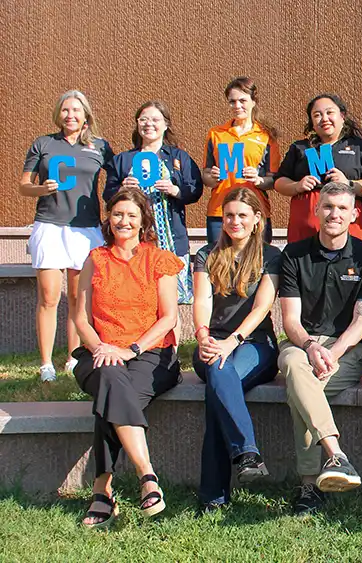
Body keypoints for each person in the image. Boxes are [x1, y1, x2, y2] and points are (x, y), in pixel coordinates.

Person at [72, 187, 184, 529]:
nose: (124, 221)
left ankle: (101, 492)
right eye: (118, 214)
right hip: (101, 353)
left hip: (151, 354)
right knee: (109, 376)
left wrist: (131, 349)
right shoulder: (97, 259)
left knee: (112, 392)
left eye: (131, 215)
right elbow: (80, 317)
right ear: (109, 219)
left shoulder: (158, 259)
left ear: (142, 221)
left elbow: (169, 318)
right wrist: (101, 348)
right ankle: (146, 475)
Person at [278, 182, 362, 516]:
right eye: (327, 207)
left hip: (347, 349)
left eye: (341, 208)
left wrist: (333, 353)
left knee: (301, 388)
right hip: (302, 343)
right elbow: (290, 321)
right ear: (316, 210)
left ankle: (309, 486)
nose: (334, 214)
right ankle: (336, 455)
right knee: (297, 368)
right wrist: (311, 347)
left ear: (354, 215)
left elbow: (361, 319)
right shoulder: (293, 254)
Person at [192, 188, 282, 512]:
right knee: (219, 376)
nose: (235, 221)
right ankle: (246, 454)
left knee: (219, 379)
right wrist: (203, 336)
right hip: (212, 341)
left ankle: (213, 495)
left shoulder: (271, 256)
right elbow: (201, 300)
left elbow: (261, 308)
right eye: (229, 215)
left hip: (255, 344)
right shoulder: (205, 255)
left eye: (243, 215)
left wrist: (234, 341)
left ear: (257, 219)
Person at [19, 90, 114, 381]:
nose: (70, 115)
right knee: (48, 296)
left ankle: (73, 359)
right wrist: (40, 189)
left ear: (86, 114)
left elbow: (115, 182)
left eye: (76, 110)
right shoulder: (44, 143)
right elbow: (24, 185)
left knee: (77, 295)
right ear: (58, 114)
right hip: (49, 225)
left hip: (85, 229)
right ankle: (46, 363)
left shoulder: (100, 146)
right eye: (65, 110)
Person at [106, 100, 203, 309]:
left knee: (171, 300)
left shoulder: (178, 157)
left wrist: (175, 190)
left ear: (166, 124)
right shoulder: (123, 160)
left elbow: (195, 189)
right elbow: (108, 195)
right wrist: (122, 188)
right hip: (135, 240)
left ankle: (171, 343)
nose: (149, 124)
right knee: (138, 296)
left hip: (171, 239)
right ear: (137, 124)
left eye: (155, 119)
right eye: (144, 119)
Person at [275, 93, 362, 243]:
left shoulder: (359, 147)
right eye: (317, 115)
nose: (324, 119)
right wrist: (297, 185)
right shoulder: (300, 147)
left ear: (342, 116)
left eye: (330, 112)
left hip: (346, 226)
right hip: (305, 228)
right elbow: (279, 182)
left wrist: (349, 184)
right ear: (311, 122)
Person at [203, 77, 279, 247]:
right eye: (232, 101)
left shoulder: (266, 135)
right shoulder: (216, 133)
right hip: (219, 210)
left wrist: (259, 180)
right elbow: (205, 174)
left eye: (242, 100)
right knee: (219, 266)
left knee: (257, 266)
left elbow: (273, 179)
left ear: (253, 101)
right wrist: (212, 176)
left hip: (255, 211)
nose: (237, 106)